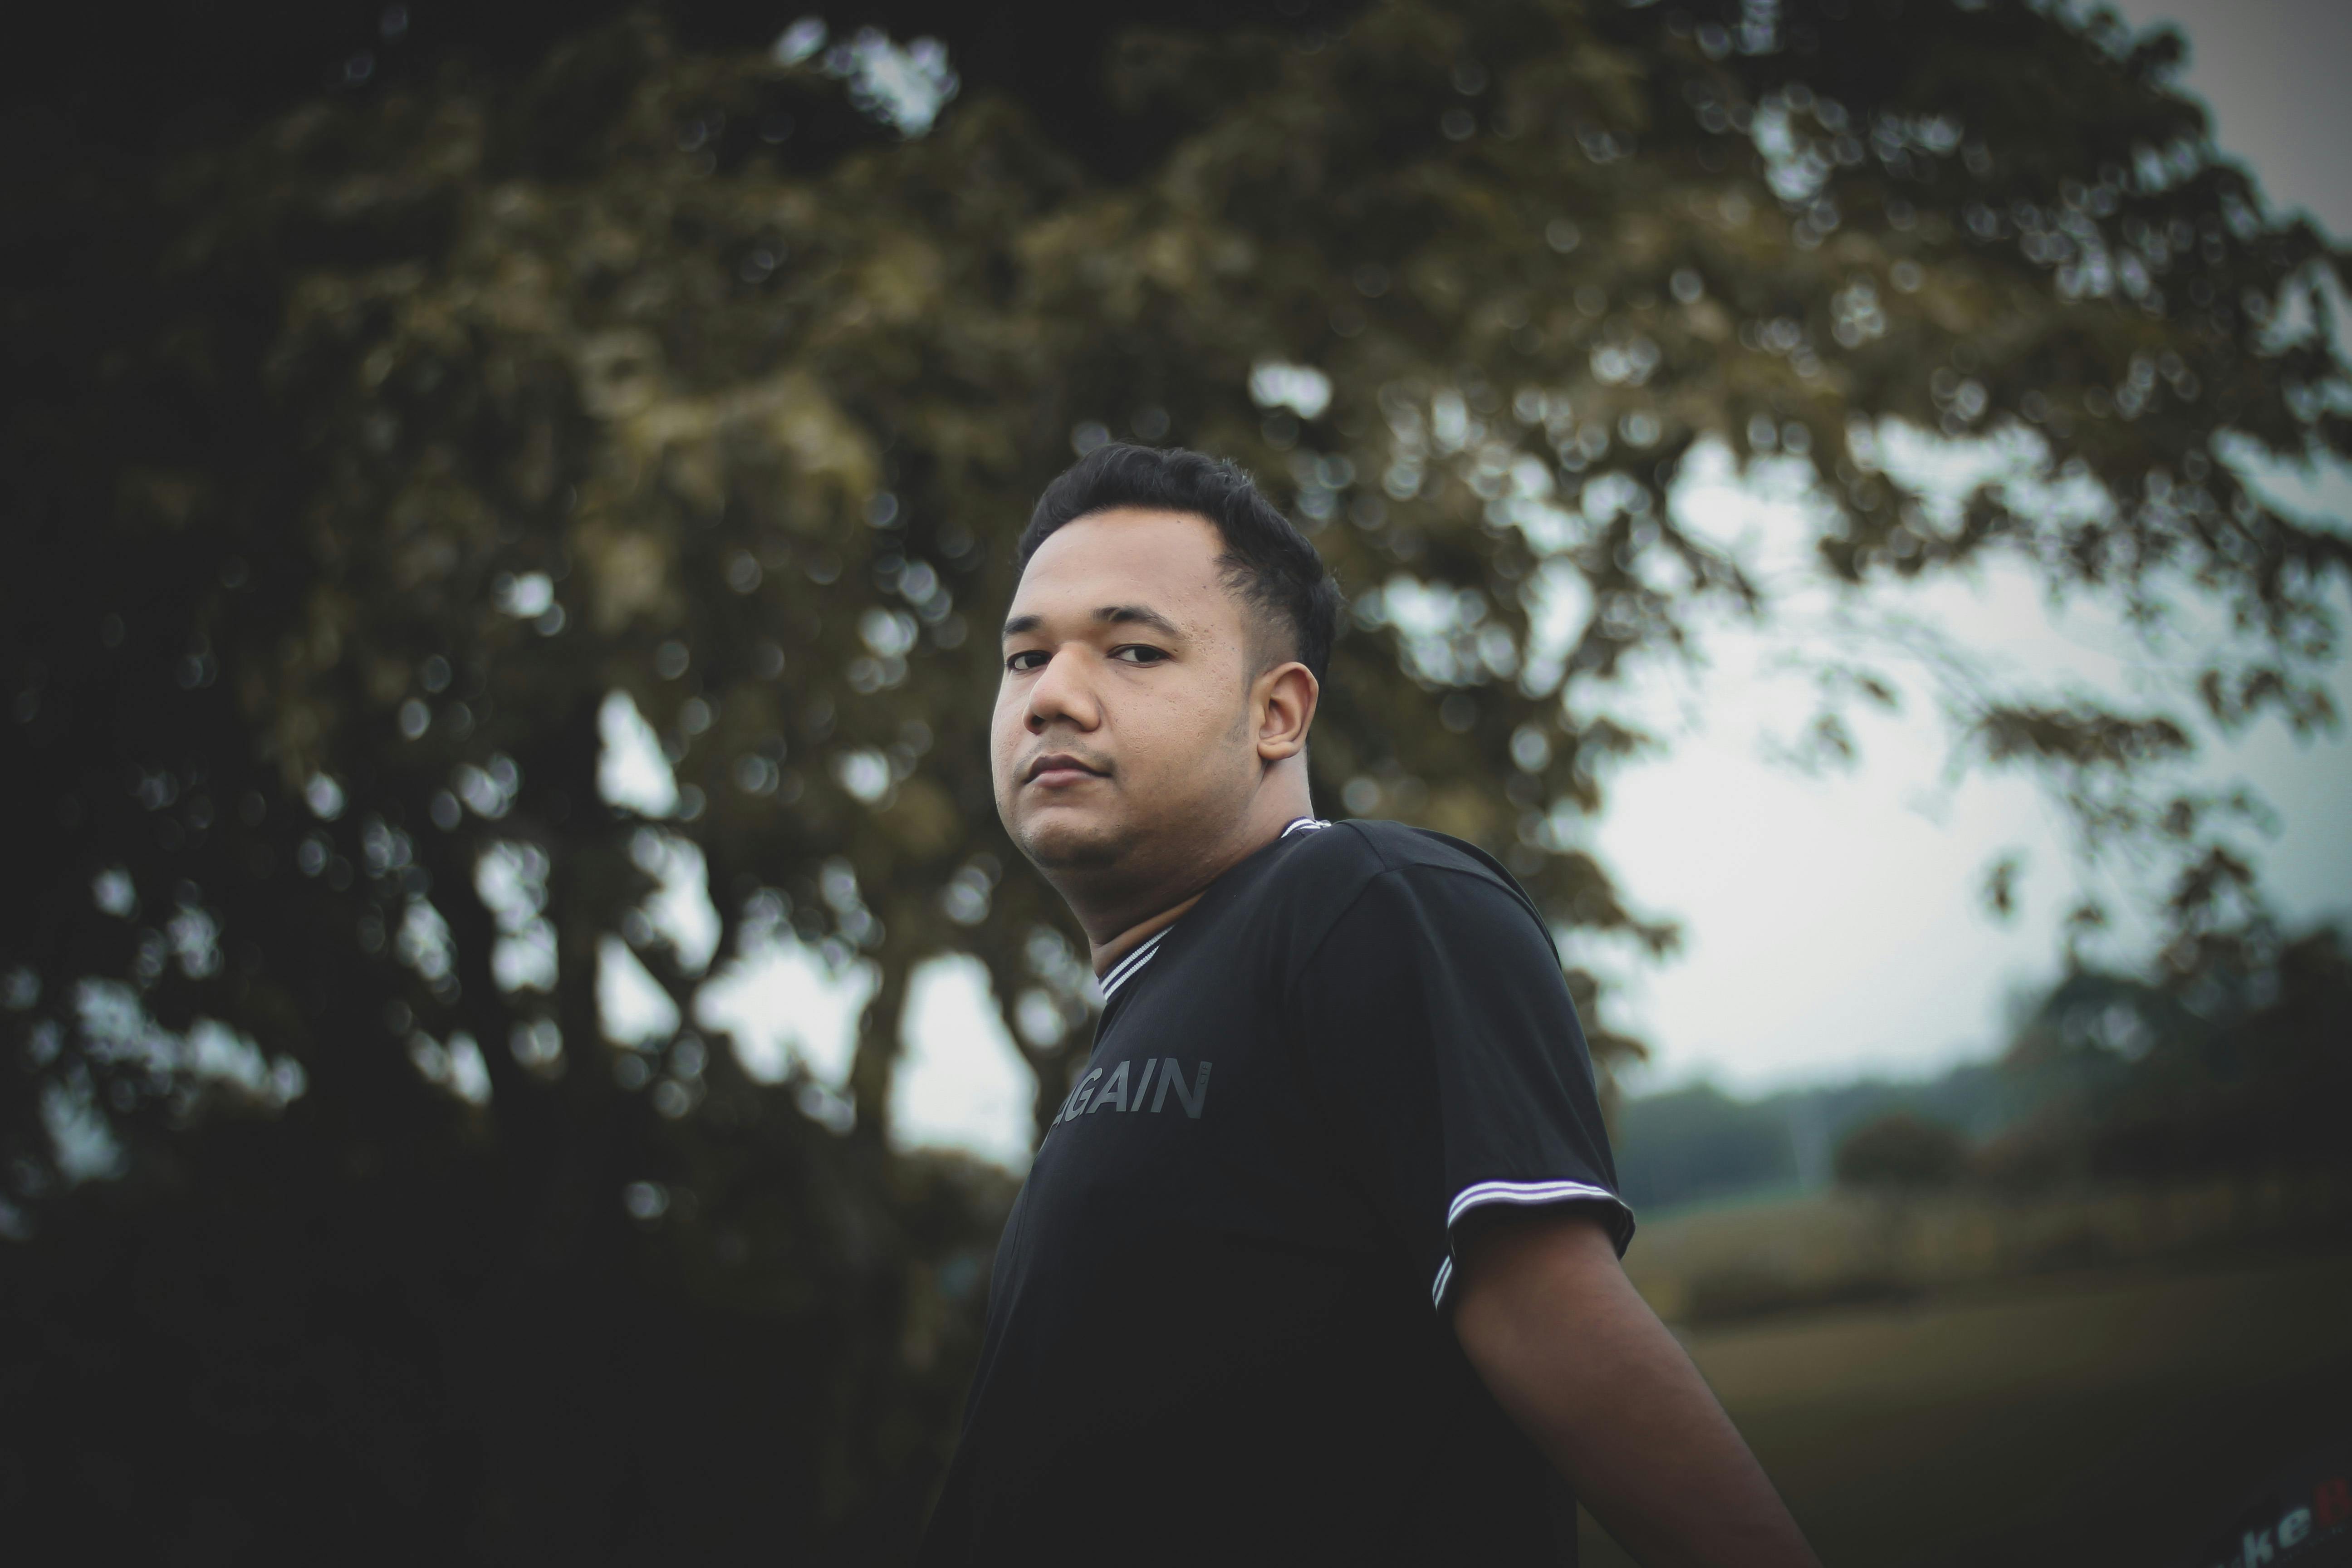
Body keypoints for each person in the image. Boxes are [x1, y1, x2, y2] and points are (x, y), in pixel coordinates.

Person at [917, 444, 1818, 1567]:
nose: (1051, 695)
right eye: (1024, 658)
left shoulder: (1363, 903)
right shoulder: (1156, 1000)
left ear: (1278, 715)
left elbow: (1554, 1319)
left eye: (1133, 649)